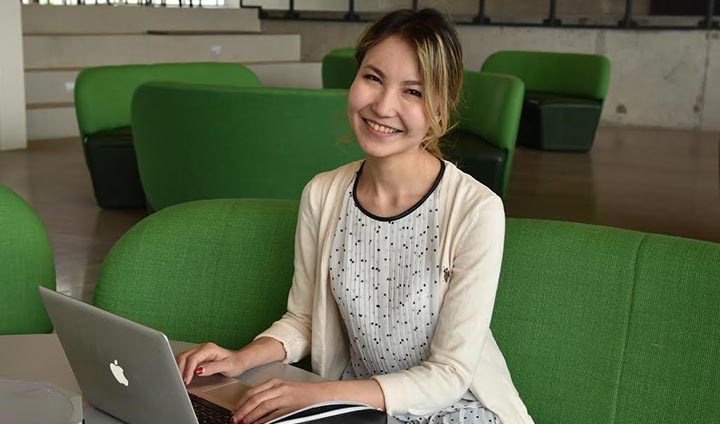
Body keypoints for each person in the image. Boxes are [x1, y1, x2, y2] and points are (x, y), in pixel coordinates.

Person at [177, 8, 534, 424]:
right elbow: (304, 319)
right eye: (373, 78)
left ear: (442, 107)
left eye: (413, 92)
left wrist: (314, 394)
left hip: (454, 411)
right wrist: (241, 359)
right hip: (357, 406)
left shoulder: (476, 211)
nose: (383, 106)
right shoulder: (323, 194)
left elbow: (449, 375)